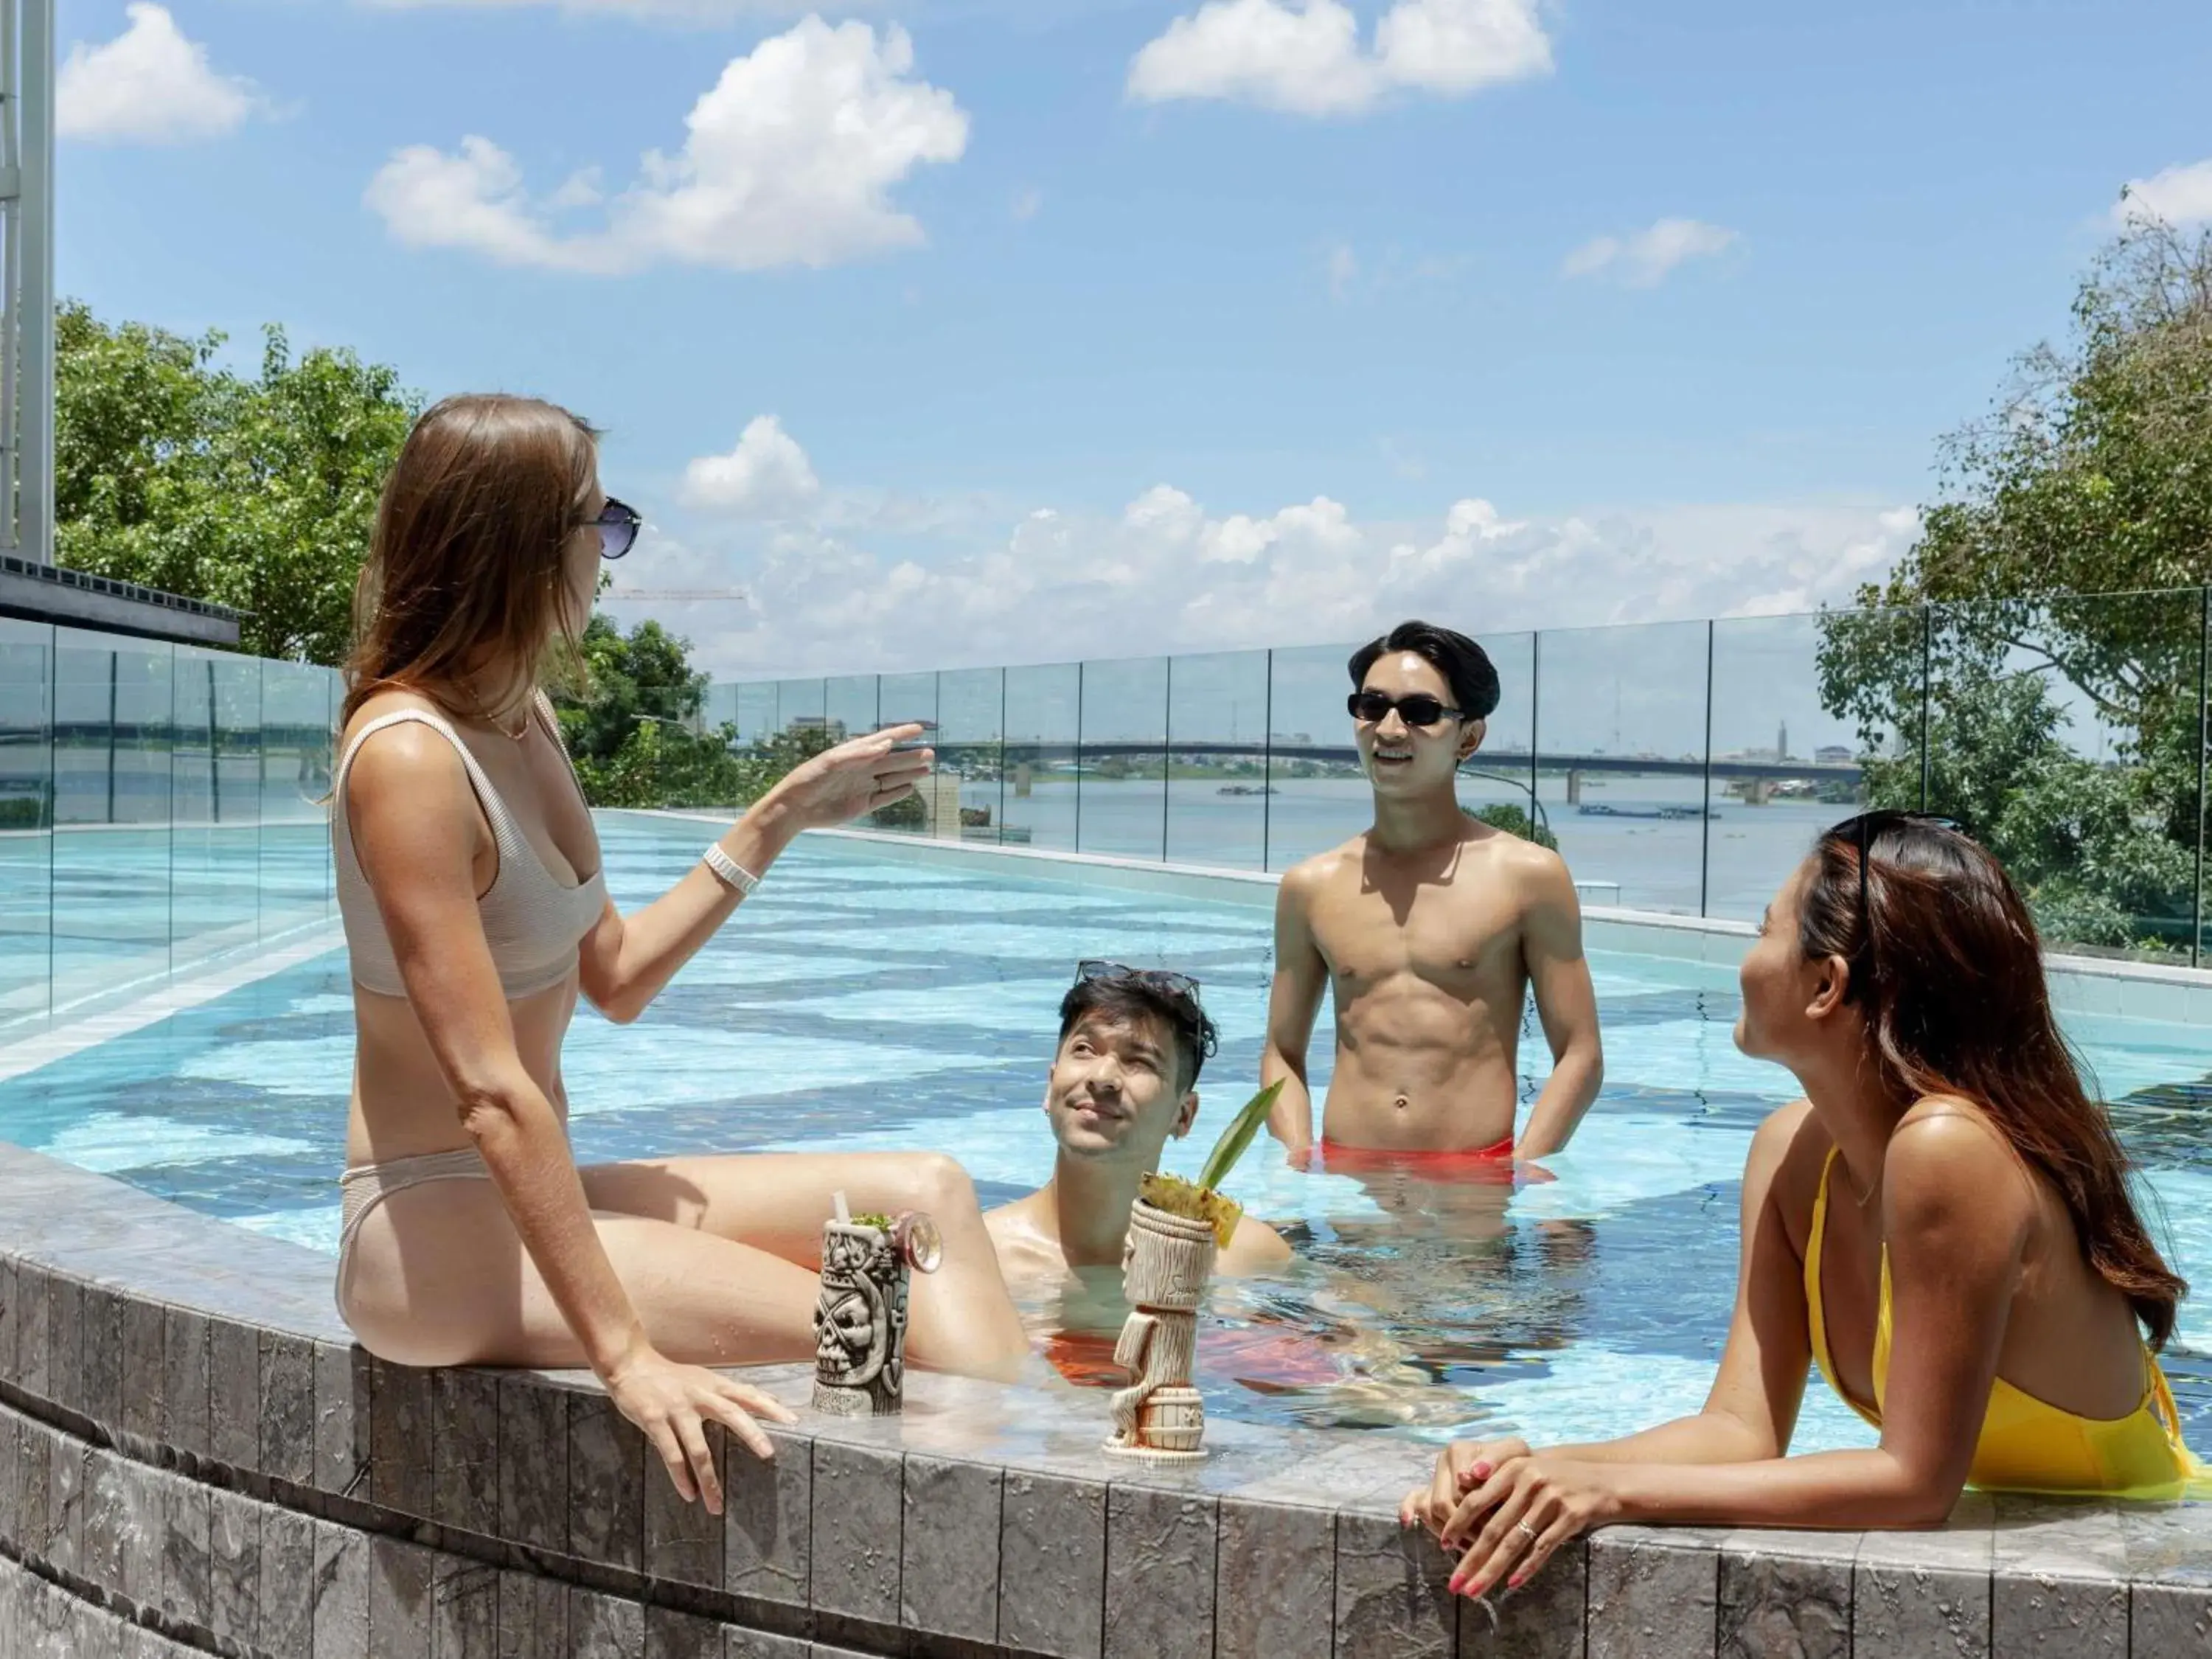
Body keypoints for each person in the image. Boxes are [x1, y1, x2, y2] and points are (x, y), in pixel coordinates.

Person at [330, 394, 1030, 1514]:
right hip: (429, 1231)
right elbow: (491, 1090)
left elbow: (614, 976)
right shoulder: (409, 758)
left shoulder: (526, 723)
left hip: (515, 1200)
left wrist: (782, 812)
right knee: (886, 1310)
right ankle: (1030, 1511)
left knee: (929, 1197)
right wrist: (627, 1354)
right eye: (600, 525)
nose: (608, 558)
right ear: (519, 544)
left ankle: (1043, 1434)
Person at [1402, 813, 2208, 1602]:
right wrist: (1533, 1470)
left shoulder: (1948, 1149)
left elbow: (1915, 1484)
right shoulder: (1793, 1157)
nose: (1745, 958)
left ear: (1826, 985)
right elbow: (1739, 1430)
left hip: (2146, 1573)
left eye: (1764, 931)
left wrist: (1612, 1496)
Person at [1262, 620, 1602, 1164]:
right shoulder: (1310, 886)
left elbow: (1580, 1053)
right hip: (1345, 1181)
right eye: (1372, 706)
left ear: (1468, 737)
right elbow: (1282, 1051)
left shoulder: (1528, 876)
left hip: (1478, 1183)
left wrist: (1523, 1170)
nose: (1390, 729)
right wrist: (1301, 1158)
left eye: (1420, 713)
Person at [987, 961, 1289, 1282]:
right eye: (1085, 1049)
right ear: (1050, 1087)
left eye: (1139, 1061)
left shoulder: (1244, 1258)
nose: (1102, 1078)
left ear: (1184, 1115)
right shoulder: (980, 1256)